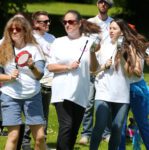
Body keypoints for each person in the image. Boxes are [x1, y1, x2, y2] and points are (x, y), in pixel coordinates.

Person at [89, 18, 148, 150]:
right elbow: (93, 70)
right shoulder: (103, 44)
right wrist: (92, 52)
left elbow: (135, 72)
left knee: (117, 128)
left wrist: (122, 56)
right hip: (103, 91)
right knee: (100, 124)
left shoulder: (130, 47)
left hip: (122, 93)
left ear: (122, 32)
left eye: (114, 28)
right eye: (110, 28)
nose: (110, 31)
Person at [47, 10, 100, 150]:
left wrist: (93, 53)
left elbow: (94, 68)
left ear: (80, 23)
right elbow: (50, 66)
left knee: (74, 129)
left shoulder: (89, 42)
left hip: (81, 93)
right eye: (65, 22)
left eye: (71, 22)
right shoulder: (58, 42)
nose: (67, 25)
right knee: (67, 126)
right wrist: (67, 67)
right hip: (62, 91)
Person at [0, 16, 46, 150]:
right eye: (11, 29)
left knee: (40, 137)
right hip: (10, 96)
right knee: (13, 137)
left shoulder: (35, 49)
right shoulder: (3, 48)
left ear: (25, 30)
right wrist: (8, 77)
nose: (14, 32)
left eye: (18, 29)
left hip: (32, 96)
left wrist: (32, 66)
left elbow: (39, 75)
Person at [79, 0, 113, 145]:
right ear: (97, 4)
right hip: (91, 66)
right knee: (88, 102)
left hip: (107, 67)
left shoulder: (114, 23)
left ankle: (107, 132)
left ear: (109, 5)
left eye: (106, 2)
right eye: (101, 1)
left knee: (107, 101)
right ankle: (86, 133)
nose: (103, 4)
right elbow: (83, 43)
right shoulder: (89, 22)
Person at [21, 11, 55, 150]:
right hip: (32, 79)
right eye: (44, 21)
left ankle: (42, 143)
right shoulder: (28, 38)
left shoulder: (52, 38)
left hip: (48, 80)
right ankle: (25, 141)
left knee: (44, 114)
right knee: (34, 114)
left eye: (48, 21)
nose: (47, 24)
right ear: (35, 23)